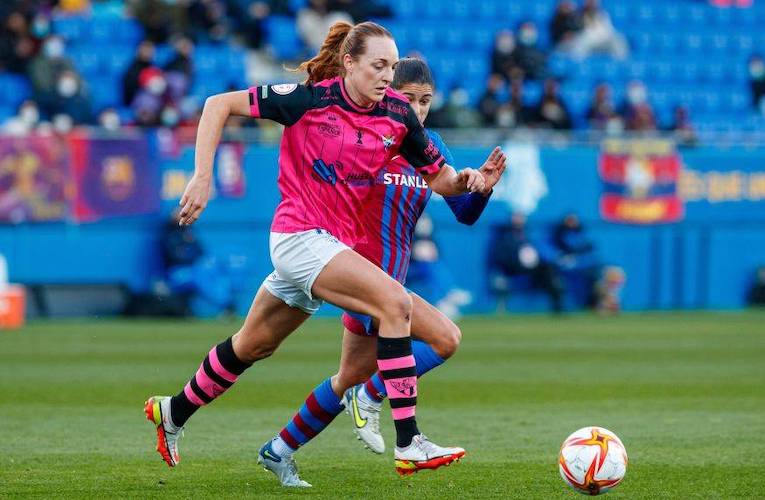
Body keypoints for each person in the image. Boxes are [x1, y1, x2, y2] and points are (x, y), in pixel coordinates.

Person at [144, 21, 506, 481]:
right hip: (298, 237)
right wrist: (201, 175)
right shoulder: (308, 99)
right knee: (396, 303)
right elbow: (218, 105)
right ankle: (410, 441)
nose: (387, 76)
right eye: (378, 66)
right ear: (350, 63)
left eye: (392, 67)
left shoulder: (398, 116)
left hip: (328, 249)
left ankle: (172, 412)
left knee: (252, 346)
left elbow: (442, 180)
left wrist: (473, 181)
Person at [257, 57, 502, 487]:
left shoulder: (430, 147)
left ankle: (279, 449)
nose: (418, 109)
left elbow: (463, 212)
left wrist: (482, 186)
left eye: (425, 101)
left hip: (392, 281)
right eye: (408, 99)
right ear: (388, 94)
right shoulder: (369, 137)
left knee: (346, 378)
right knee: (445, 338)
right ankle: (374, 401)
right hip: (359, 277)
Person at [488, 214, 563, 313]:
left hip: (530, 268)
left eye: (521, 219)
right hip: (511, 268)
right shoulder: (505, 237)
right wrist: (517, 258)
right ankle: (501, 308)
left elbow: (537, 253)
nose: (519, 222)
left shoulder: (528, 236)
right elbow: (500, 256)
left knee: (549, 269)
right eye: (516, 219)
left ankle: (557, 306)